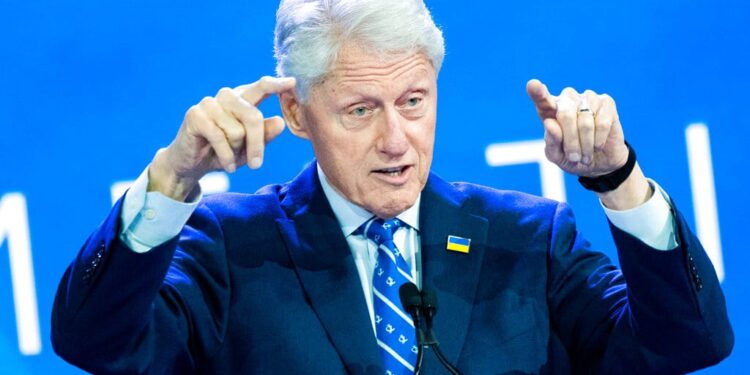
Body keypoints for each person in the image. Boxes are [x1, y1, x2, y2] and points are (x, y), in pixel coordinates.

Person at [51, 0, 733, 374]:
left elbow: (687, 344)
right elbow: (95, 343)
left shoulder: (529, 240)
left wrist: (618, 181)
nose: (396, 140)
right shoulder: (231, 248)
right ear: (295, 112)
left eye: (413, 100)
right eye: (360, 110)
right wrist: (173, 178)